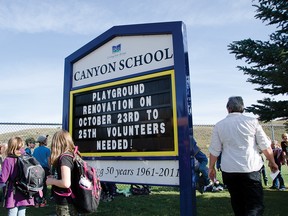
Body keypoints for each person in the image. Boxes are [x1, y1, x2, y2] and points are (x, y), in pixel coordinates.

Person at [208, 96, 278, 216]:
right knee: (254, 205)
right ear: (242, 108)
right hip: (250, 168)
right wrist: (272, 161)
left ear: (228, 108)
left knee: (237, 203)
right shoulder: (252, 122)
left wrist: (211, 167)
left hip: (229, 170)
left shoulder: (219, 125)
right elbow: (265, 145)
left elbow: (215, 150)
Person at [46, 129, 79, 216]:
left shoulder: (64, 158)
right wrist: (54, 178)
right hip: (73, 198)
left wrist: (51, 181)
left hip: (66, 201)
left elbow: (66, 183)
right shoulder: (72, 155)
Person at [0, 137, 34, 215]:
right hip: (25, 189)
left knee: (12, 211)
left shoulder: (8, 160)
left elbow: (3, 179)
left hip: (13, 191)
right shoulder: (26, 157)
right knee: (22, 211)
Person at [33, 135, 51, 207]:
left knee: (37, 185)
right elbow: (49, 161)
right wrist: (50, 169)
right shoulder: (47, 150)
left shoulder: (35, 150)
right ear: (44, 141)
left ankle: (36, 202)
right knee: (44, 185)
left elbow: (33, 159)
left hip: (37, 168)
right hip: (44, 169)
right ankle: (43, 202)